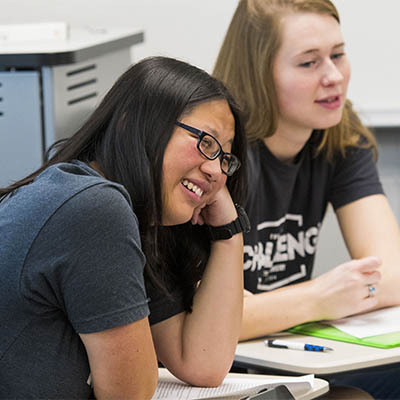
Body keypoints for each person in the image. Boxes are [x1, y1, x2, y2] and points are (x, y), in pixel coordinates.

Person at [0, 56, 249, 399]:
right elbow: (130, 394)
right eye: (206, 142)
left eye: (224, 158)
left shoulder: (111, 209)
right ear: (136, 125)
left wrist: (228, 232)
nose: (216, 172)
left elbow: (202, 363)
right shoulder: (95, 210)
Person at [213, 0, 400, 398]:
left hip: (283, 361)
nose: (333, 77)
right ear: (259, 74)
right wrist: (319, 297)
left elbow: (391, 275)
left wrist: (268, 309)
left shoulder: (338, 133)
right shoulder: (216, 154)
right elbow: (205, 321)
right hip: (216, 376)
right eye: (309, 63)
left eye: (338, 54)